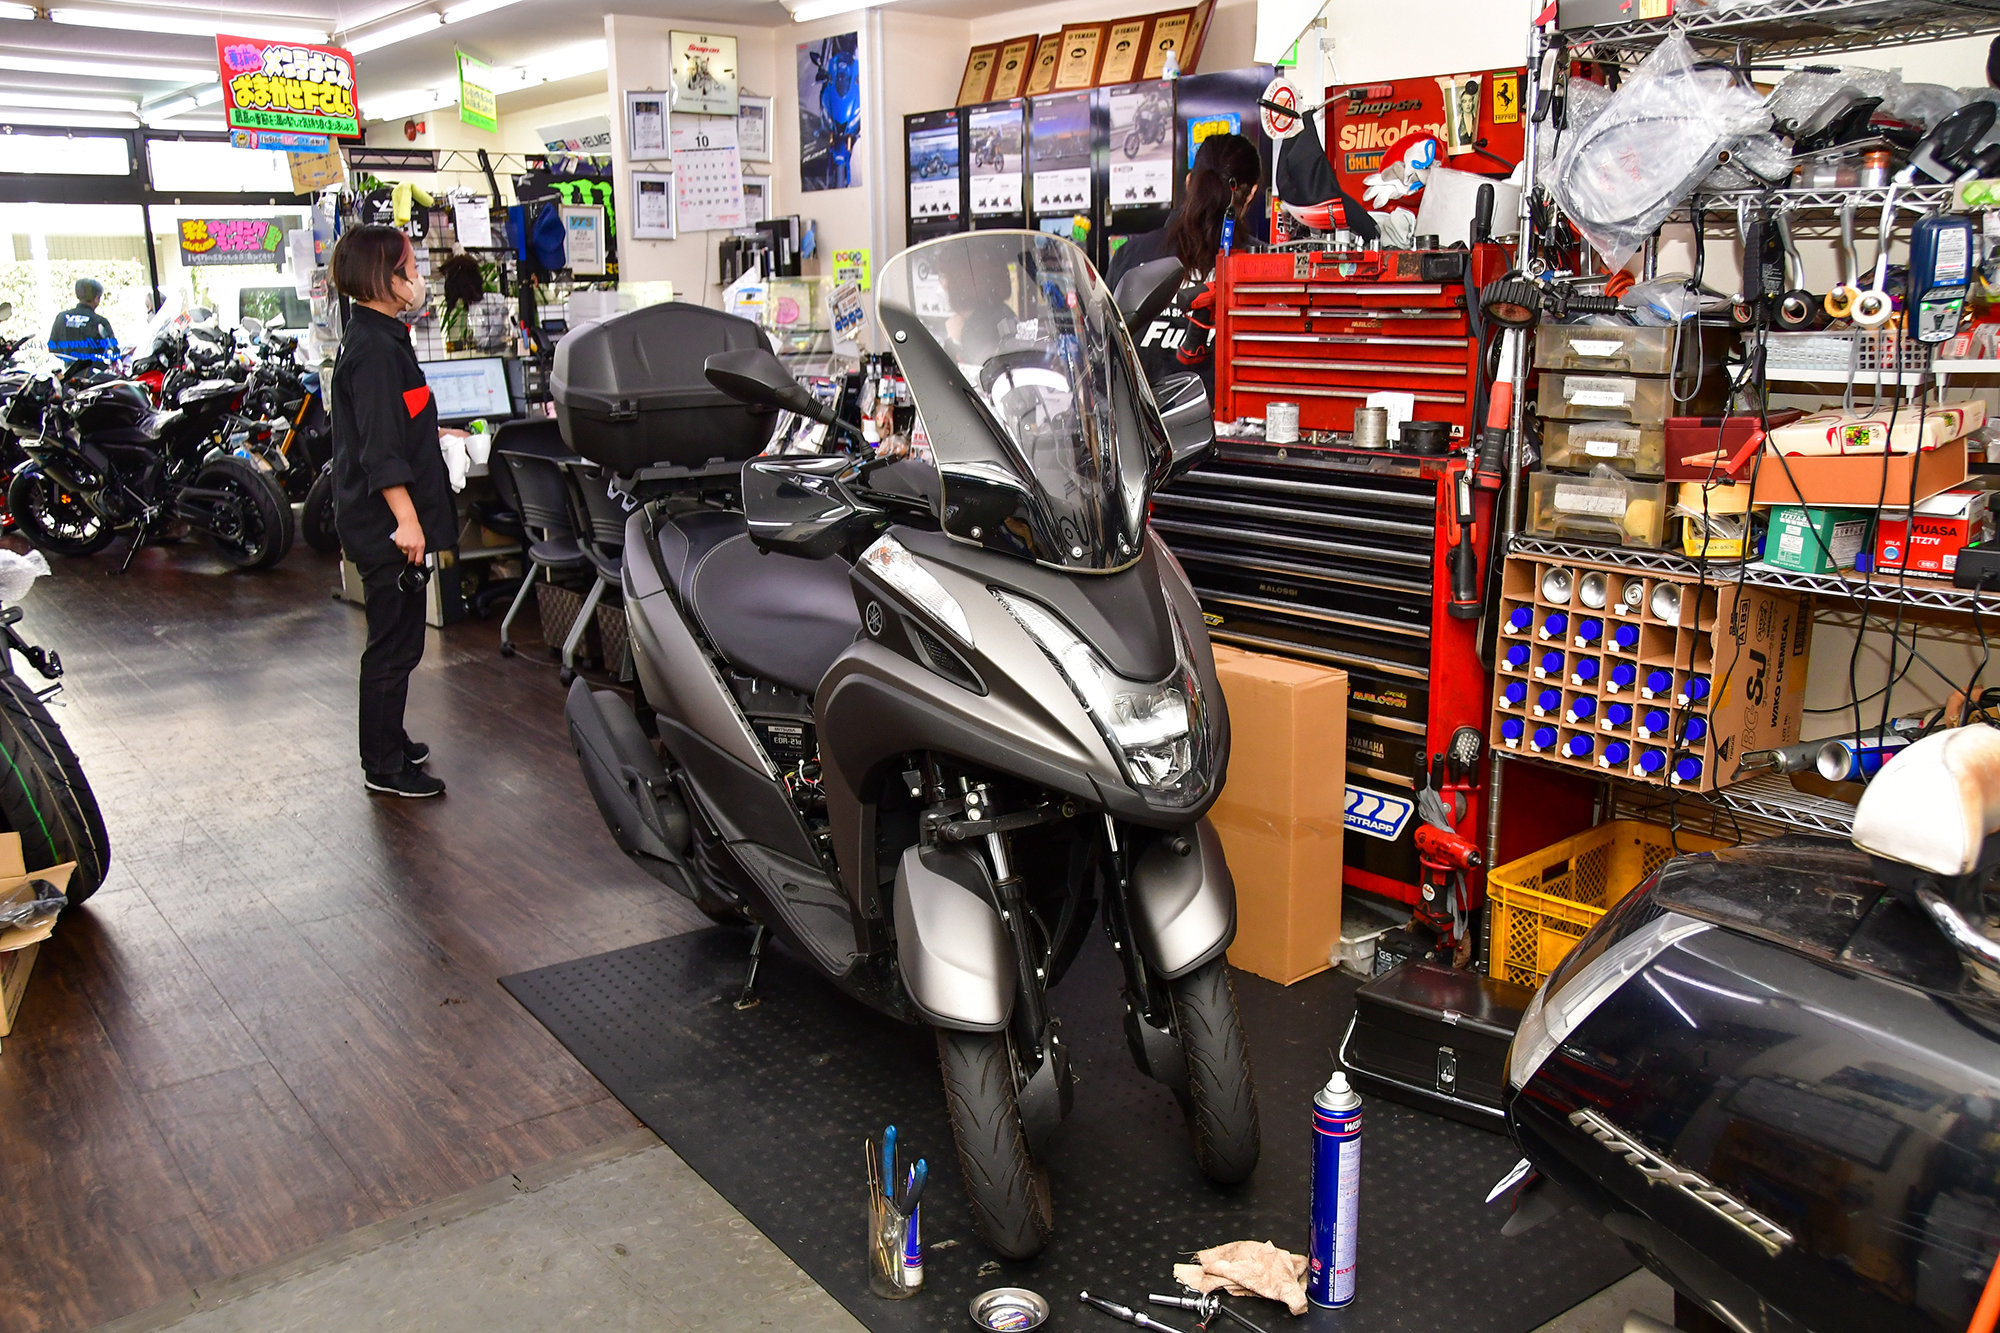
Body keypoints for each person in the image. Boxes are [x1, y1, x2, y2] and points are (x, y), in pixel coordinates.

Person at [327, 224, 456, 799]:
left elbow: (393, 425)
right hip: (387, 526)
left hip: (392, 519)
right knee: (394, 643)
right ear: (386, 276)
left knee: (400, 640)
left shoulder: (382, 337)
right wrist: (406, 520)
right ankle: (383, 766)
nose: (418, 276)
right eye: (410, 266)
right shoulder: (374, 352)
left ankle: (389, 737)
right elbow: (379, 451)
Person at [1106, 132, 1265, 395]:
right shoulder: (1266, 266)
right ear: (1251, 196)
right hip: (1231, 431)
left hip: (1142, 430)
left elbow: (1104, 350)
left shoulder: (1130, 255)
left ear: (1190, 181)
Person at [48, 278, 118, 365]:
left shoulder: (61, 317)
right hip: (95, 375)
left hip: (68, 374)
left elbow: (52, 348)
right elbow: (113, 351)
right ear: (96, 298)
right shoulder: (100, 322)